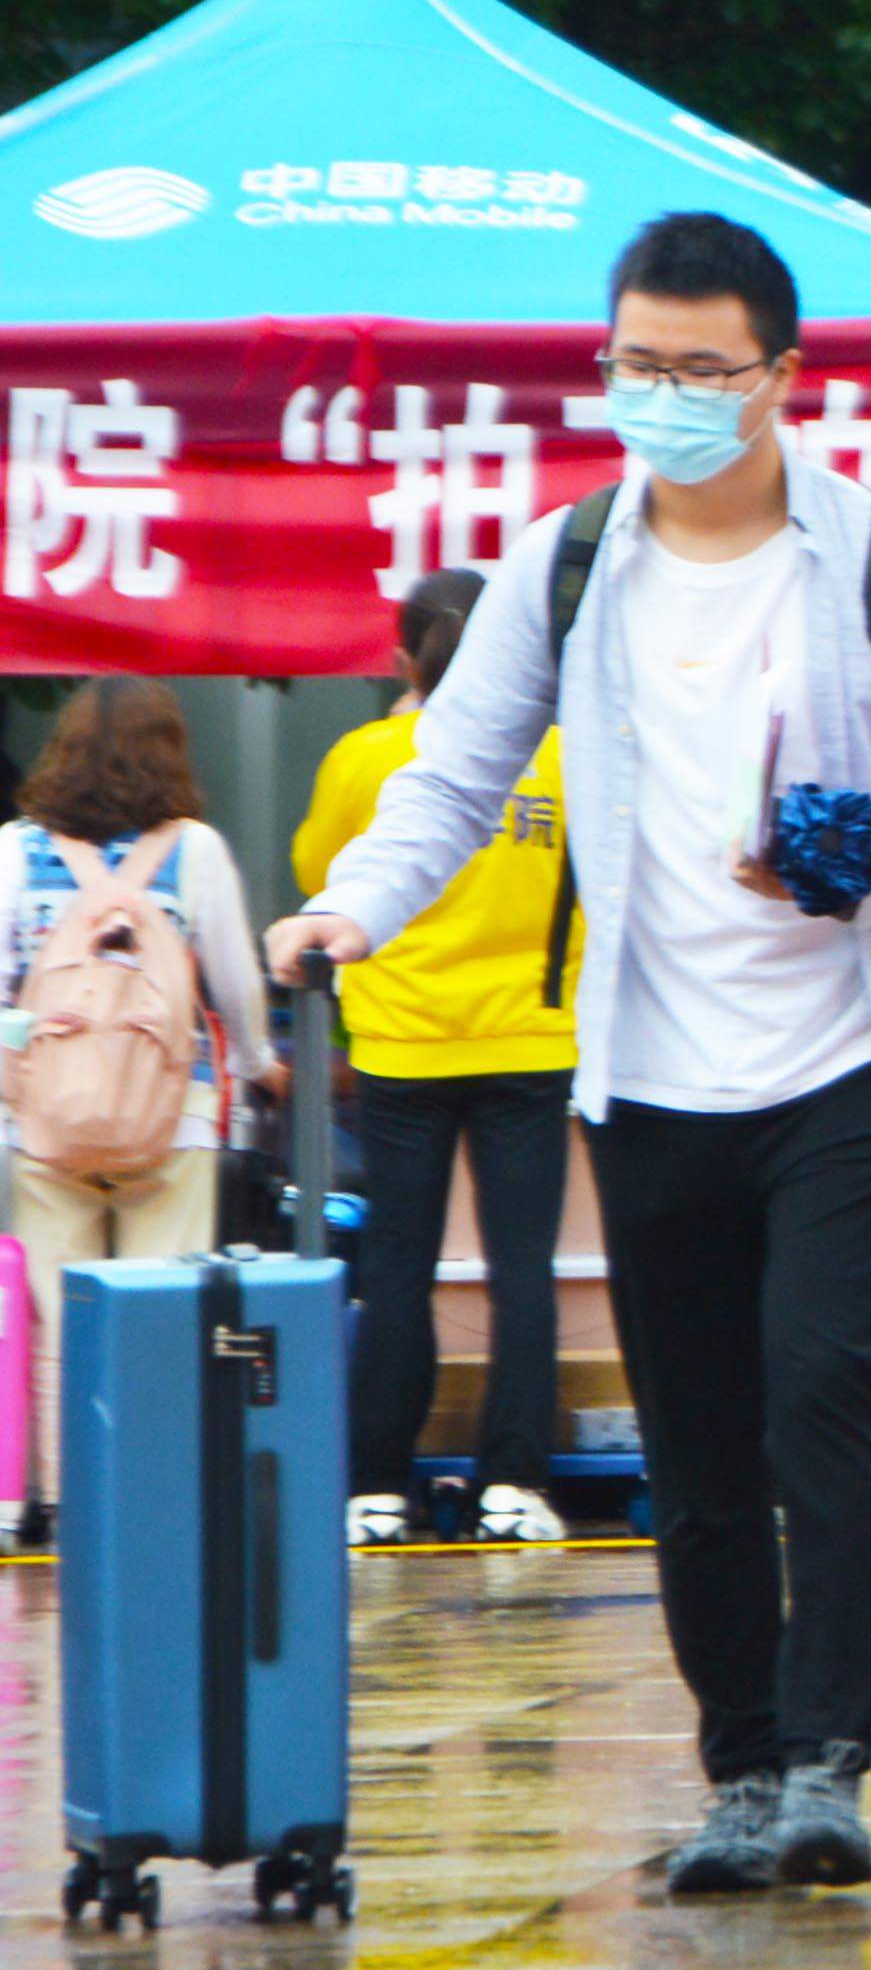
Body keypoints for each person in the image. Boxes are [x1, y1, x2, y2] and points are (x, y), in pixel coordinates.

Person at [271, 210, 871, 1896]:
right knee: (698, 1438)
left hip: (856, 1061)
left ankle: (828, 1766)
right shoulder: (564, 565)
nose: (666, 396)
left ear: (781, 377)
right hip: (653, 1077)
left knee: (831, 1395)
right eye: (637, 364)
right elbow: (455, 771)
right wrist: (350, 907)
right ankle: (741, 1771)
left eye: (702, 368)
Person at [285, 575, 585, 1547]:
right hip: (531, 1039)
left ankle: (375, 1486)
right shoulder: (563, 755)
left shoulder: (366, 756)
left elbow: (322, 876)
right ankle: (515, 1484)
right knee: (523, 1269)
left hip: (400, 1043)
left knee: (398, 1268)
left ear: (403, 659)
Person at [10, 677, 282, 1478]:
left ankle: (69, 1499)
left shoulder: (14, 851)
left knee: (57, 1321)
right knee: (163, 1316)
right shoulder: (195, 850)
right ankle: (153, 1493)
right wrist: (260, 1066)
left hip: (45, 1123)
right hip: (174, 1119)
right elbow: (237, 987)